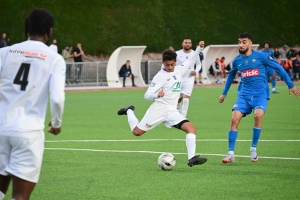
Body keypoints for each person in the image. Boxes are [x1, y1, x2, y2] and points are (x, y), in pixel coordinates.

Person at [0, 8, 65, 200]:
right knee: (19, 196)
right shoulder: (54, 58)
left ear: (27, 28)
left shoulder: (4, 52)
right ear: (50, 31)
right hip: (28, 132)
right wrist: (56, 123)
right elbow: (57, 98)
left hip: (1, 127)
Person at [117, 45, 207, 167]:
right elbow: (147, 95)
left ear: (175, 62)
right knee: (137, 132)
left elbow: (190, 59)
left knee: (191, 129)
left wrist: (199, 49)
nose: (169, 67)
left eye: (172, 65)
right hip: (159, 109)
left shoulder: (179, 69)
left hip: (172, 111)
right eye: (167, 65)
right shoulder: (159, 76)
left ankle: (191, 158)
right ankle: (129, 111)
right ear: (163, 62)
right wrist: (156, 95)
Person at [219, 32, 300, 164]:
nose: (241, 44)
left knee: (258, 116)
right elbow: (230, 76)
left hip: (260, 94)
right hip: (244, 95)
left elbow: (279, 68)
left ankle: (253, 148)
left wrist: (290, 84)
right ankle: (230, 153)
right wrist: (224, 93)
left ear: (251, 43)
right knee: (234, 119)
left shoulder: (262, 56)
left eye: (244, 41)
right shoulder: (237, 61)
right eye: (239, 41)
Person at [176, 38, 201, 117]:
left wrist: (195, 71)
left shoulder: (194, 54)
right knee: (178, 99)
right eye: (186, 42)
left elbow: (199, 64)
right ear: (182, 44)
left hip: (189, 79)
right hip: (178, 79)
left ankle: (183, 118)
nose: (188, 44)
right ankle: (177, 114)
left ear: (191, 44)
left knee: (186, 99)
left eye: (189, 43)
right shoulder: (177, 54)